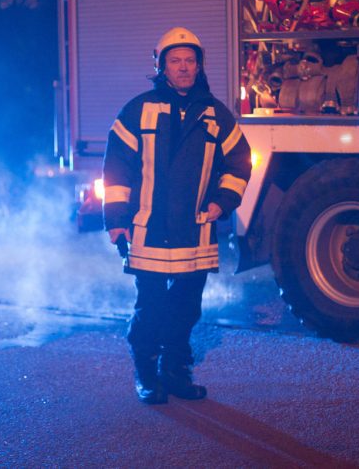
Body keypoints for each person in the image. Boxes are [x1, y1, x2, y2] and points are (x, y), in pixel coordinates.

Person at [103, 27, 252, 404]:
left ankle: (175, 371)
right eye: (175, 61)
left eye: (190, 61)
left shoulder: (216, 114)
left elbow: (239, 160)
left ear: (199, 65)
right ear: (161, 65)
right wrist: (117, 220)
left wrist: (222, 201)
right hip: (149, 231)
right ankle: (147, 373)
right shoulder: (137, 110)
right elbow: (117, 167)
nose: (184, 68)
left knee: (187, 307)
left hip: (195, 231)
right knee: (150, 306)